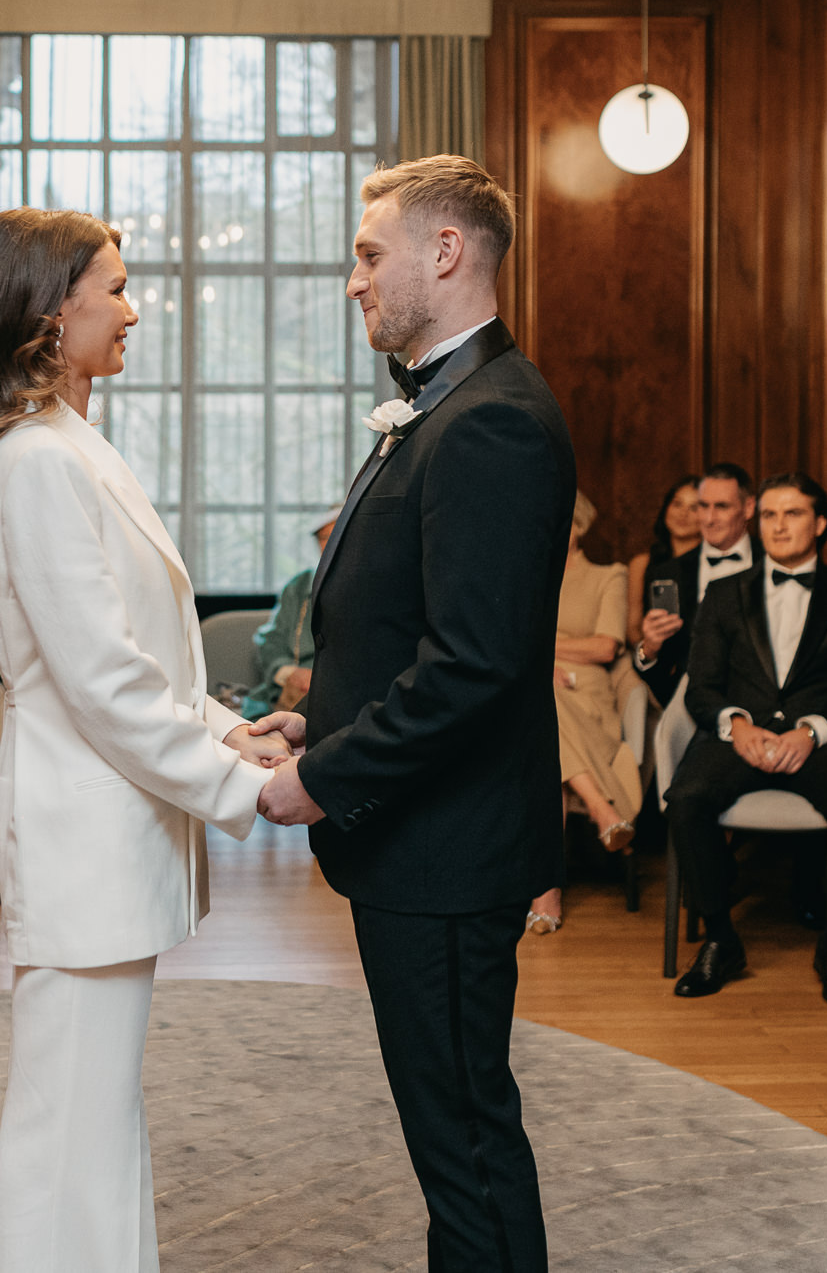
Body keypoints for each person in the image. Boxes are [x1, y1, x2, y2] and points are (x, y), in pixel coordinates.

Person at [0, 208, 287, 1273]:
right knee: (68, 1119)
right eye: (116, 288)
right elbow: (100, 681)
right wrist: (246, 787)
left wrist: (239, 729)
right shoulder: (37, 463)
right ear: (50, 314)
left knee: (94, 1110)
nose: (134, 308)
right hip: (83, 819)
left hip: (105, 816)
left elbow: (140, 662)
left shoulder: (66, 446)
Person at [250, 155, 571, 1273]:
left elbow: (473, 668)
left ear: (447, 252)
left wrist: (327, 778)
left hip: (446, 852)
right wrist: (320, 724)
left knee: (467, 1139)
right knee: (453, 1130)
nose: (352, 279)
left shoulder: (494, 419)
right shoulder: (443, 403)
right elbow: (400, 625)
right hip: (425, 841)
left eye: (367, 251)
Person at [664, 472, 827, 1009]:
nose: (778, 525)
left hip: (820, 742)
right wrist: (736, 724)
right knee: (686, 799)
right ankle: (721, 937)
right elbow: (700, 689)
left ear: (819, 524)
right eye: (768, 514)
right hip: (739, 739)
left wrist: (813, 732)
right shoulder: (723, 595)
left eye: (792, 514)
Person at [526, 490, 645, 936]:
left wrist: (538, 655)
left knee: (541, 717)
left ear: (580, 527)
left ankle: (546, 893)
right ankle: (602, 809)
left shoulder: (608, 576)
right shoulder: (527, 577)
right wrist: (539, 666)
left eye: (565, 523)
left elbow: (605, 646)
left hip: (589, 697)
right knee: (541, 717)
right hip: (539, 693)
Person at [632, 461, 757, 709]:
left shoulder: (774, 562)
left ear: (749, 507)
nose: (709, 519)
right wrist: (649, 649)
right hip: (696, 705)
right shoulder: (667, 573)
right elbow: (662, 673)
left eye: (721, 507)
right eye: (703, 506)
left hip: (767, 703)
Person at [241, 509, 337, 720]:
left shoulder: (371, 587)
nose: (330, 543)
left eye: (337, 534)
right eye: (323, 537)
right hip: (293, 691)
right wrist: (290, 674)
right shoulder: (299, 586)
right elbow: (269, 643)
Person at [626, 474, 700, 647]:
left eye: (694, 507)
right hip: (655, 657)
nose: (683, 514)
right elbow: (632, 630)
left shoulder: (712, 563)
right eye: (677, 504)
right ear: (666, 508)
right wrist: (650, 652)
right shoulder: (641, 563)